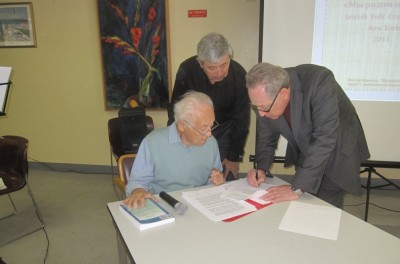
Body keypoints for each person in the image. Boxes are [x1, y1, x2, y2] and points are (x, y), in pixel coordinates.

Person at [246, 62, 370, 208]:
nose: (260, 113)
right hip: (307, 150)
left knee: (324, 210)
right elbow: (266, 138)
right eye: (256, 107)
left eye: (264, 108)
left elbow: (325, 138)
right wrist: (261, 167)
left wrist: (297, 187)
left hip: (336, 150)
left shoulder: (319, 80)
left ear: (284, 93)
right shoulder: (263, 97)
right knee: (303, 205)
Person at [167, 32, 250, 180]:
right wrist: (175, 139)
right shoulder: (187, 70)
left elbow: (241, 120)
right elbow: (175, 108)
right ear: (200, 63)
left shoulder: (238, 75)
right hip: (192, 130)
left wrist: (233, 156)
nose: (219, 72)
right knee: (189, 176)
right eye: (212, 68)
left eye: (224, 65)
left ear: (229, 57)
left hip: (224, 131)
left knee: (223, 178)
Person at [124, 91, 225, 208]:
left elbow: (213, 179)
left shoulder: (211, 143)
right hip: (163, 204)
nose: (209, 133)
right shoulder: (153, 142)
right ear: (182, 125)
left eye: (211, 125)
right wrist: (138, 191)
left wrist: (217, 180)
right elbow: (137, 182)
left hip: (199, 205)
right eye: (203, 128)